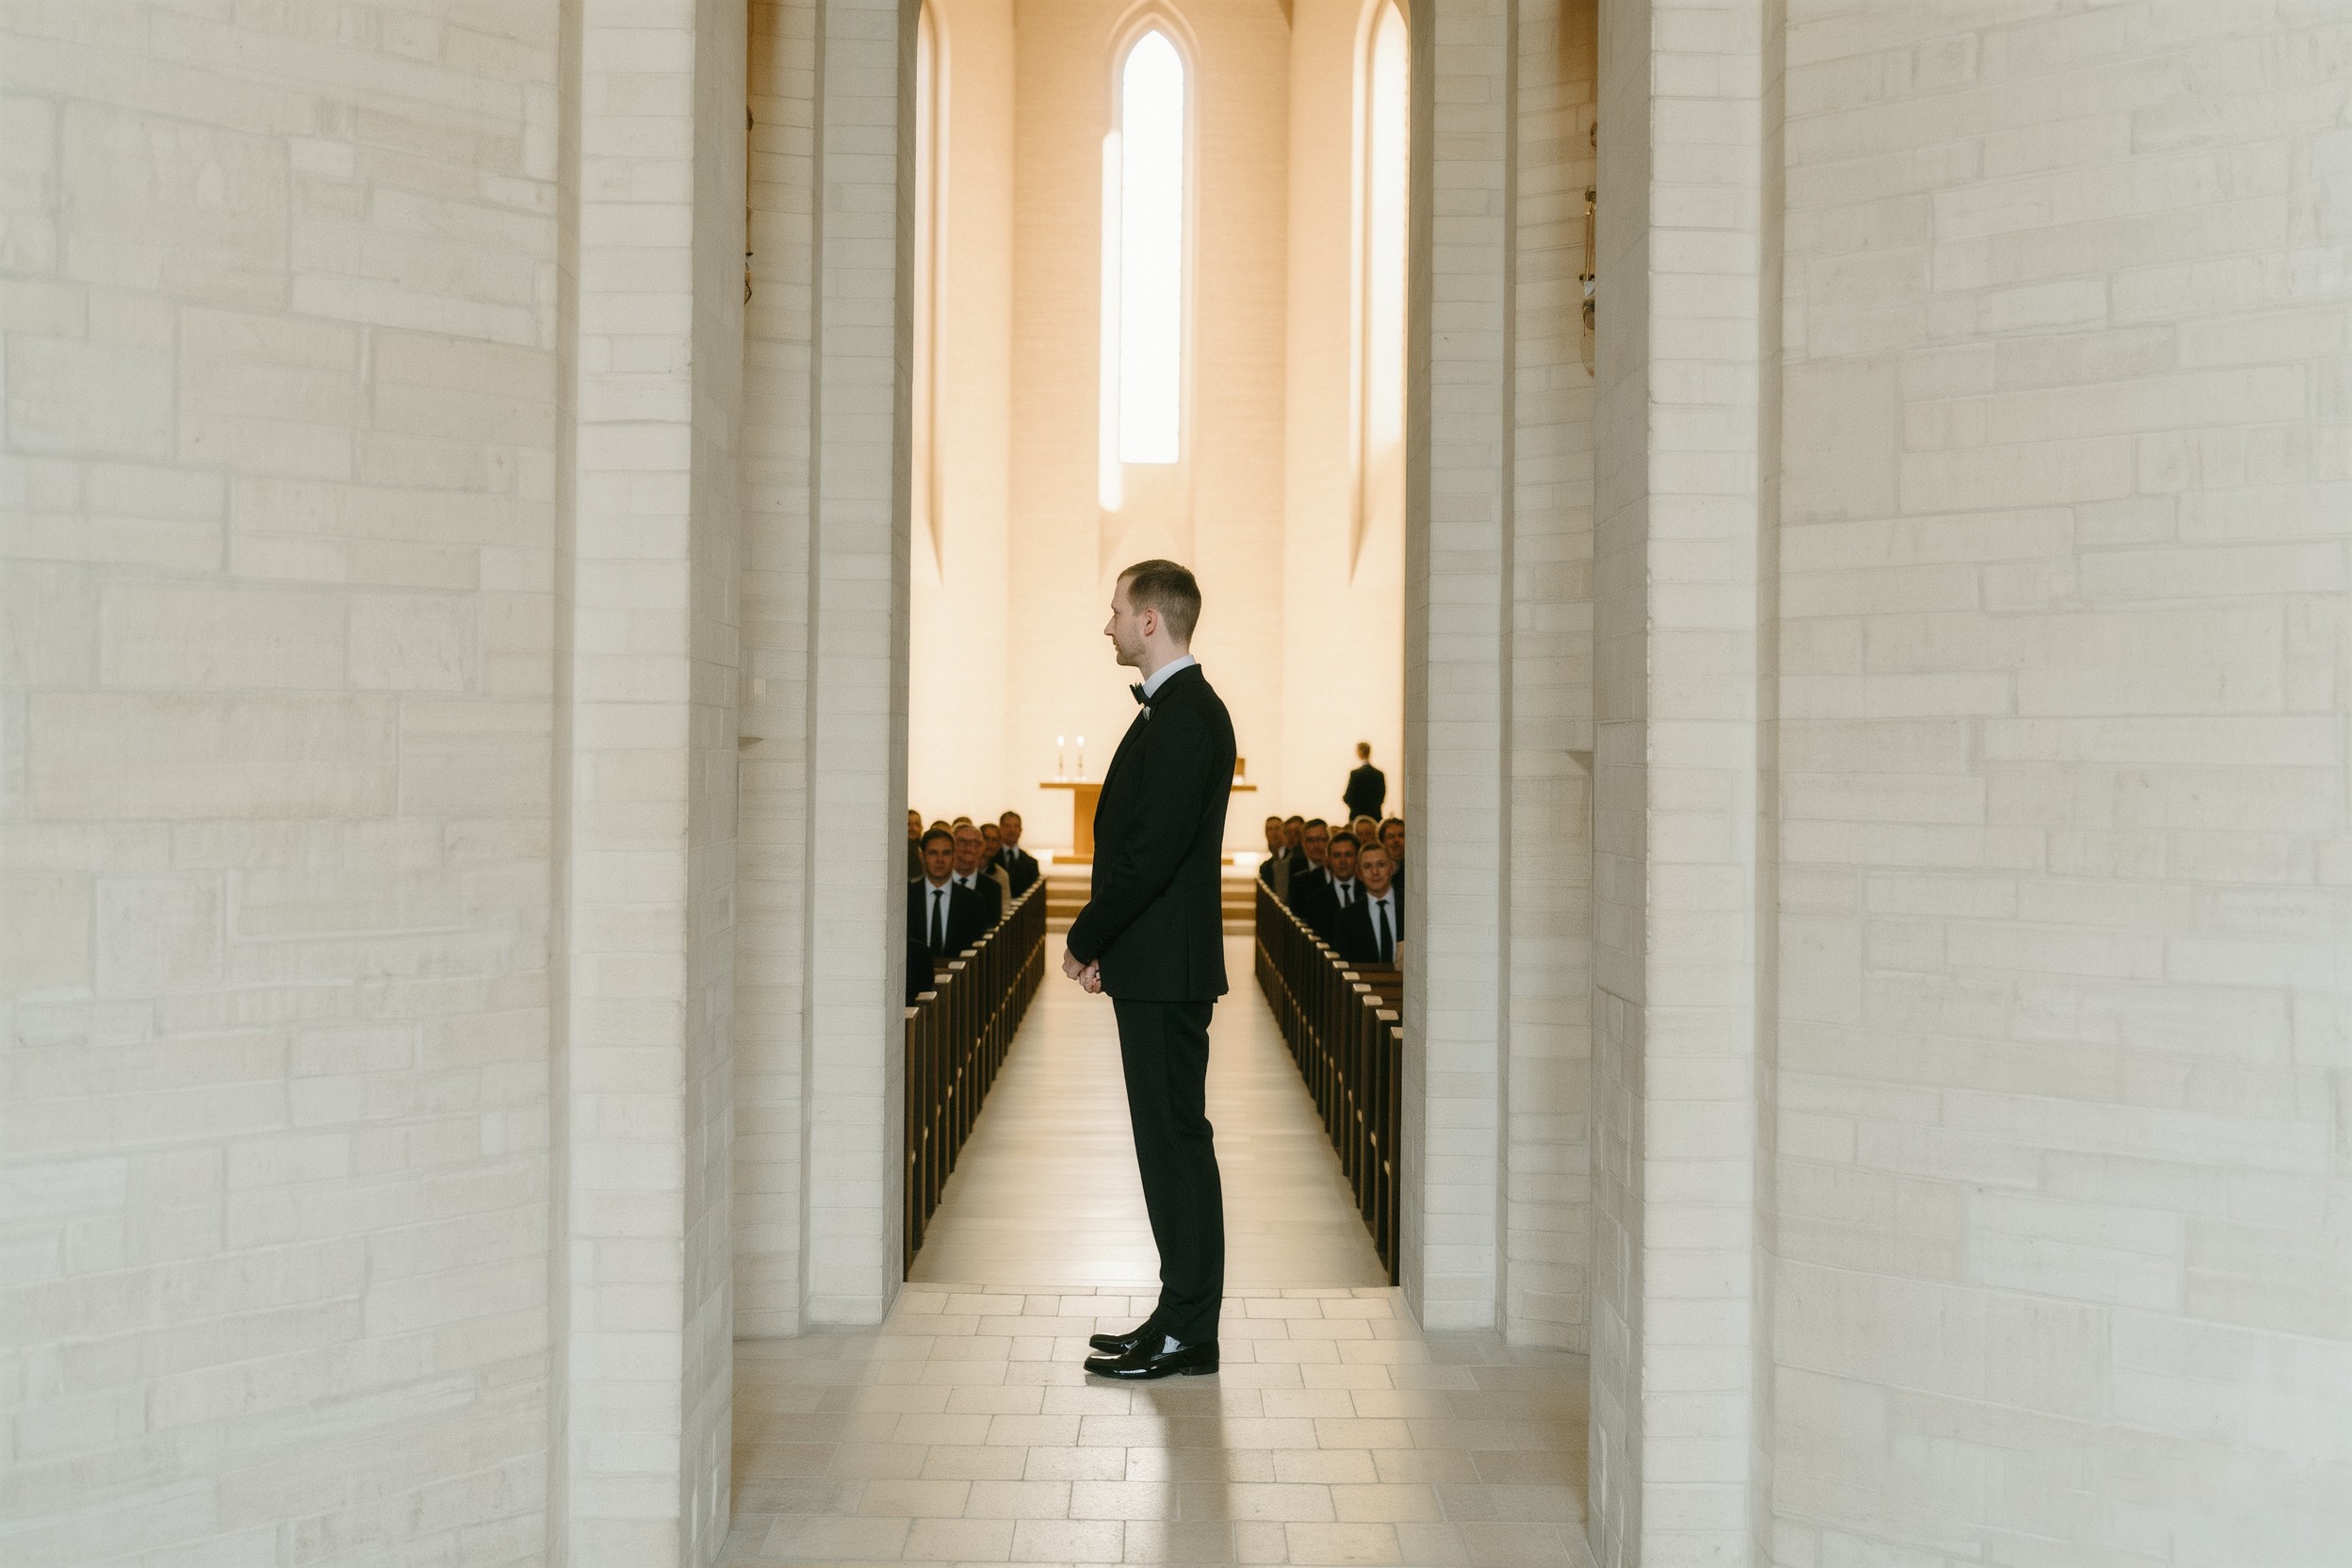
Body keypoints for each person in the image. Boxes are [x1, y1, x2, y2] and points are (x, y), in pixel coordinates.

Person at [1062, 559, 1234, 1382]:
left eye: (1116, 611)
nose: (1108, 625)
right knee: (1168, 1144)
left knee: (1175, 1145)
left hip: (1169, 971)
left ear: (1150, 623)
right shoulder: (1175, 712)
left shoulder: (1188, 717)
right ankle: (1176, 1316)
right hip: (1157, 964)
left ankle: (1189, 1331)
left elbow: (1148, 856)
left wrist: (1087, 936)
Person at [907, 826, 988, 961]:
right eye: (933, 853)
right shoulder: (906, 896)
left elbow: (977, 955)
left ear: (954, 856)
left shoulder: (973, 901)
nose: (940, 860)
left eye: (946, 853)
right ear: (922, 856)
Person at [1332, 841, 1404, 966]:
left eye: (1381, 865)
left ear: (1391, 868)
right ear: (1359, 873)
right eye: (1367, 866)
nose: (1375, 872)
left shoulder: (1413, 907)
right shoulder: (1347, 917)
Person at [1298, 830, 1361, 941]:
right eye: (1337, 856)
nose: (1343, 861)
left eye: (1348, 854)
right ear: (1328, 860)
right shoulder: (1315, 901)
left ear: (1357, 858)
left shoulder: (1368, 893)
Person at [951, 823, 1006, 924]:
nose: (968, 847)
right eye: (962, 841)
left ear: (982, 848)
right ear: (951, 845)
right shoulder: (939, 881)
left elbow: (991, 931)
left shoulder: (992, 889)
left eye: (974, 843)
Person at [997, 810, 1042, 897]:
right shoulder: (991, 858)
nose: (1012, 830)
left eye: (1016, 826)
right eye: (1007, 826)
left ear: (1021, 830)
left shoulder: (1031, 863)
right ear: (1000, 828)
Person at [1344, 741, 1385, 822]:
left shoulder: (1355, 774)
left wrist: (1354, 807)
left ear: (1359, 752)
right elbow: (1381, 796)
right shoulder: (1379, 774)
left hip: (1357, 816)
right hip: (1375, 816)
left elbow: (1348, 796)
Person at [1255, 815, 1290, 901]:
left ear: (1284, 832)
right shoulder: (1265, 867)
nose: (1274, 833)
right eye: (1270, 829)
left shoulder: (1293, 858)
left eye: (1277, 828)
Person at [1380, 816, 1405, 894]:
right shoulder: (1377, 870)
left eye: (1401, 835)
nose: (1396, 840)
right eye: (1391, 837)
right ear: (1382, 842)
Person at [906, 808, 925, 879]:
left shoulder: (924, 848)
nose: (913, 828)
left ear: (921, 828)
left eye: (917, 824)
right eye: (908, 824)